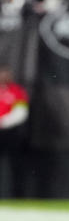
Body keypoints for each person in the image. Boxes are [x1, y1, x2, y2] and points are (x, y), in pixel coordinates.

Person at [0, 64, 29, 198]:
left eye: (5, 73)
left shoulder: (17, 91)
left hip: (10, 133)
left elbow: (21, 113)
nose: (3, 76)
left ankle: (17, 196)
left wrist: (3, 122)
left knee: (15, 165)